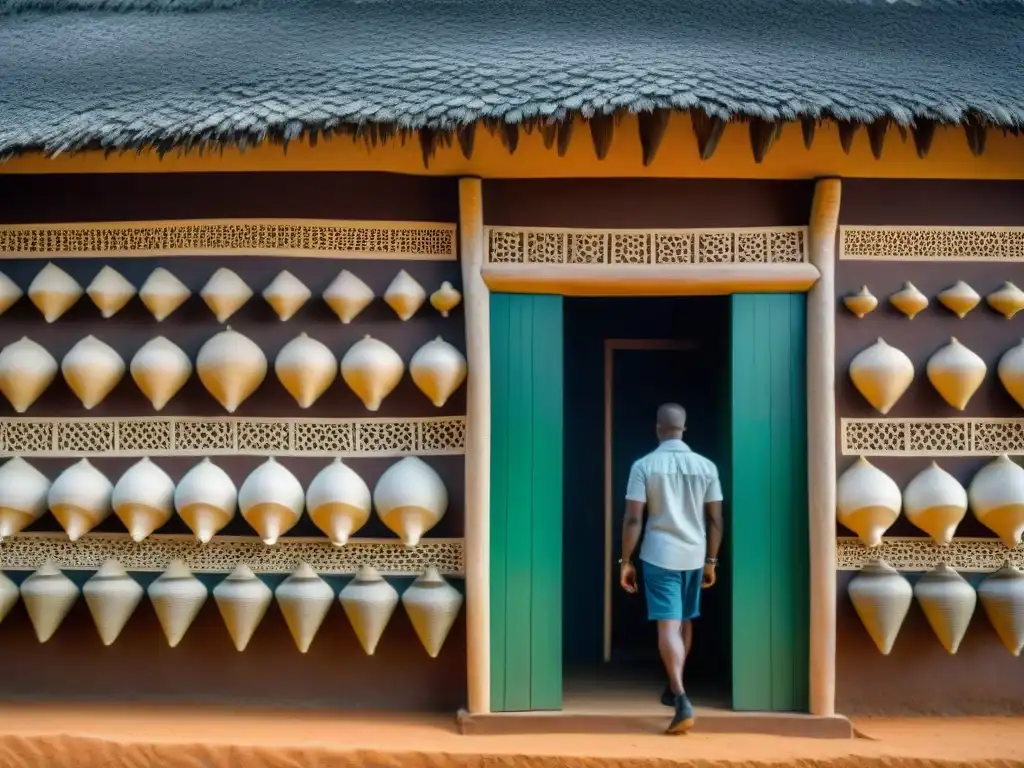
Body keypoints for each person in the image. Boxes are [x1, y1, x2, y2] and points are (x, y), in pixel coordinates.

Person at [618, 403, 724, 735]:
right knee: (686, 620)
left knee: (668, 626)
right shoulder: (707, 467)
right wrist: (711, 561)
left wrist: (625, 561)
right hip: (694, 555)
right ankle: (673, 682)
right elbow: (716, 519)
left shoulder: (643, 466)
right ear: (684, 429)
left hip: (659, 554)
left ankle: (680, 696)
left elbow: (634, 518)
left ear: (657, 428)